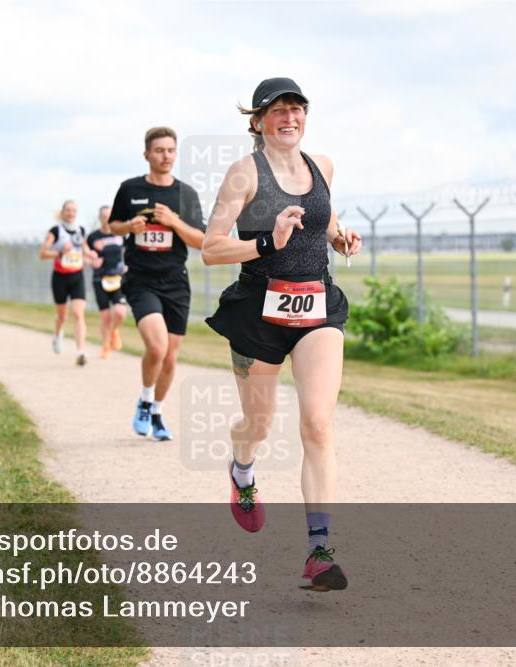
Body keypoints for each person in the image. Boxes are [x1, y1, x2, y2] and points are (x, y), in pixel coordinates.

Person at [201, 78, 362, 592]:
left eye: (296, 109)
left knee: (317, 423)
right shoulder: (243, 174)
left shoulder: (323, 166)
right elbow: (211, 247)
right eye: (277, 111)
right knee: (259, 423)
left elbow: (325, 218)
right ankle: (242, 470)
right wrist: (267, 241)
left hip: (316, 305)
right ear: (258, 121)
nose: (288, 117)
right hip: (259, 311)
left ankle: (319, 550)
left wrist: (341, 237)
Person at [108, 126, 206, 441]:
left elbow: (201, 240)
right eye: (159, 150)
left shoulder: (185, 194)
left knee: (171, 357)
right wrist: (128, 225)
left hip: (175, 281)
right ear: (147, 154)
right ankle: (145, 401)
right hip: (141, 279)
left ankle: (158, 412)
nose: (166, 156)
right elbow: (113, 226)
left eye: (171, 151)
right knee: (157, 346)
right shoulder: (129, 189)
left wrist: (174, 222)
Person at [39, 200, 90, 366]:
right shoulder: (55, 231)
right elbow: (43, 254)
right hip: (60, 277)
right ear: (62, 212)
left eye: (74, 210)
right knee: (62, 315)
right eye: (68, 210)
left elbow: (85, 250)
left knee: (78, 313)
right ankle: (57, 334)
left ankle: (80, 351)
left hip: (77, 276)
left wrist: (92, 256)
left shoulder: (80, 230)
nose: (71, 213)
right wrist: (60, 252)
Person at [87, 205, 127, 358]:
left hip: (117, 278)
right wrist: (91, 261)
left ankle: (114, 331)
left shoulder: (121, 234)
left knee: (120, 312)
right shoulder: (93, 237)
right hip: (100, 279)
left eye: (109, 216)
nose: (106, 219)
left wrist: (128, 266)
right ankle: (105, 346)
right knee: (105, 317)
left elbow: (129, 252)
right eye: (103, 216)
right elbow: (86, 256)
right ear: (100, 218)